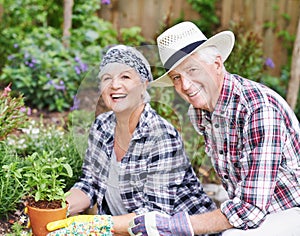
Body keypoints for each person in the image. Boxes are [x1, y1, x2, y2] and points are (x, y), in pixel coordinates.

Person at [128, 22, 300, 236]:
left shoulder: (258, 109)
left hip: (292, 210)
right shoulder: (200, 112)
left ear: (217, 64)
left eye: (192, 70)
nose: (186, 86)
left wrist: (176, 226)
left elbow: (250, 210)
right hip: (258, 210)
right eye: (176, 78)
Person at [47, 45, 218, 235]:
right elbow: (90, 183)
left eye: (125, 77)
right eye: (107, 78)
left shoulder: (161, 136)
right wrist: (57, 208)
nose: (114, 85)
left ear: (143, 84)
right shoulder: (102, 126)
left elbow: (154, 216)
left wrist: (95, 225)